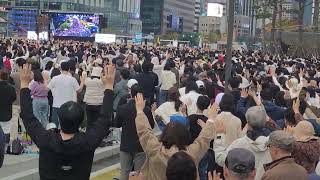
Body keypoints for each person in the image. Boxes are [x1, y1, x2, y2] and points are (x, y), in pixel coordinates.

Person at [19, 63, 114, 180]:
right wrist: (109, 86)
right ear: (80, 121)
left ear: (59, 118)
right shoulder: (88, 142)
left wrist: (24, 84)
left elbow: (28, 117)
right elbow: (105, 119)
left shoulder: (46, 139)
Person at [134, 94, 225, 180]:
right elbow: (203, 139)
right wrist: (211, 119)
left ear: (164, 134)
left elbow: (145, 132)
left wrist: (140, 111)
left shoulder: (155, 150)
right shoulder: (191, 153)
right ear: (185, 136)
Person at [214, 106, 272, 180]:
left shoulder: (238, 144)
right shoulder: (274, 146)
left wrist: (219, 135)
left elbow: (221, 159)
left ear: (248, 122)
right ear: (265, 122)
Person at [114, 84, 155, 180]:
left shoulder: (122, 108)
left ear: (131, 94)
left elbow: (117, 124)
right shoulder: (146, 109)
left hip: (125, 145)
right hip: (140, 146)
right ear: (141, 95)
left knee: (124, 172)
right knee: (139, 173)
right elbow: (151, 126)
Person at [47, 61, 85, 127]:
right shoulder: (72, 79)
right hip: (68, 106)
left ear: (60, 68)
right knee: (67, 126)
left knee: (55, 126)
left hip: (56, 105)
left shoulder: (55, 78)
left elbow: (46, 89)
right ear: (69, 69)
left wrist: (45, 80)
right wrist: (82, 82)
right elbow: (79, 90)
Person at [188, 95, 211, 180]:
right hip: (204, 149)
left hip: (191, 149)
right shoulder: (208, 121)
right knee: (202, 171)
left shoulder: (189, 118)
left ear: (196, 104)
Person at [0, 69, 16, 146]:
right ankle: (5, 145)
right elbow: (14, 98)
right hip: (7, 110)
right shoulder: (11, 88)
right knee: (6, 129)